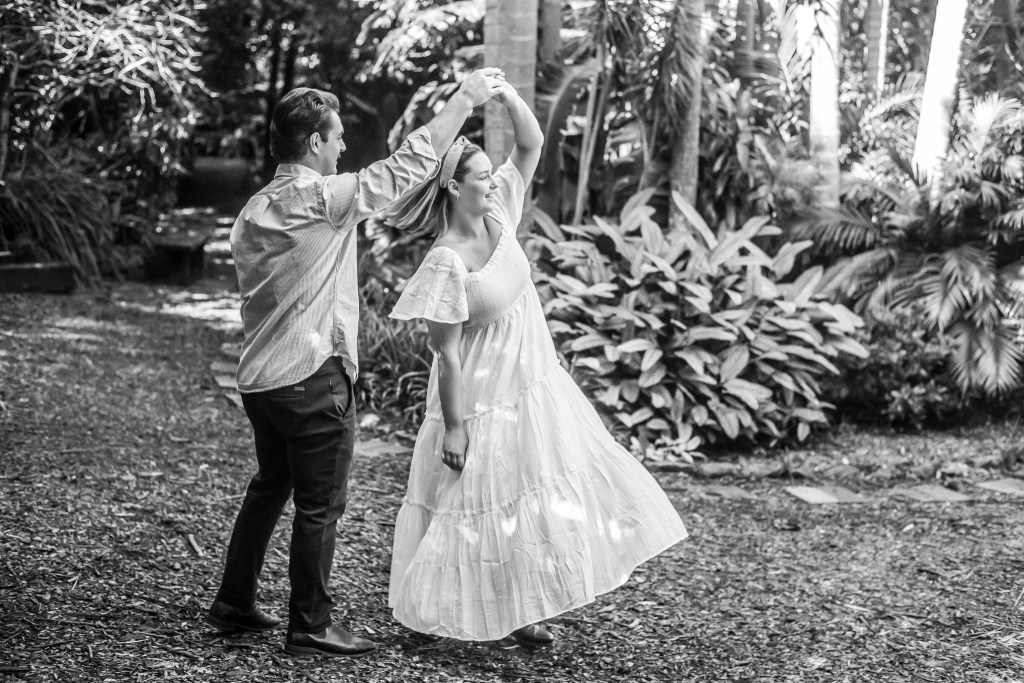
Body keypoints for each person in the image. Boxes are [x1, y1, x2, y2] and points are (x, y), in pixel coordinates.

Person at [206, 68, 508, 658]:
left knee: (269, 488)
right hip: (310, 378)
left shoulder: (253, 209)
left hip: (260, 381)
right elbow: (408, 165)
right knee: (320, 506)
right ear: (314, 141)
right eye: (338, 136)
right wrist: (465, 99)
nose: (343, 146)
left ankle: (234, 602)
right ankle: (311, 624)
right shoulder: (323, 201)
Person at [385, 81, 688, 646]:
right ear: (455, 186)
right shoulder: (445, 261)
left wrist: (504, 95)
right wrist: (455, 427)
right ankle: (434, 609)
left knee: (529, 493)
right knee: (471, 503)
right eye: (481, 176)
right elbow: (446, 352)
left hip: (532, 384)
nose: (492, 179)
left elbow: (531, 143)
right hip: (477, 397)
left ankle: (523, 608)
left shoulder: (499, 211)